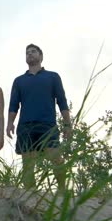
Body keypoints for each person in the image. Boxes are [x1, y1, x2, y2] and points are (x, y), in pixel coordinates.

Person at [6, 44, 71, 190]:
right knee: (28, 163)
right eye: (27, 53)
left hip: (47, 124)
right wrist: (10, 123)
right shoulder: (19, 80)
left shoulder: (53, 76)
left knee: (56, 158)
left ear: (41, 56)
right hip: (25, 126)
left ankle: (62, 191)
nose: (30, 54)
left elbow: (62, 101)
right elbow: (13, 104)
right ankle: (30, 195)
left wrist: (67, 124)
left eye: (33, 51)